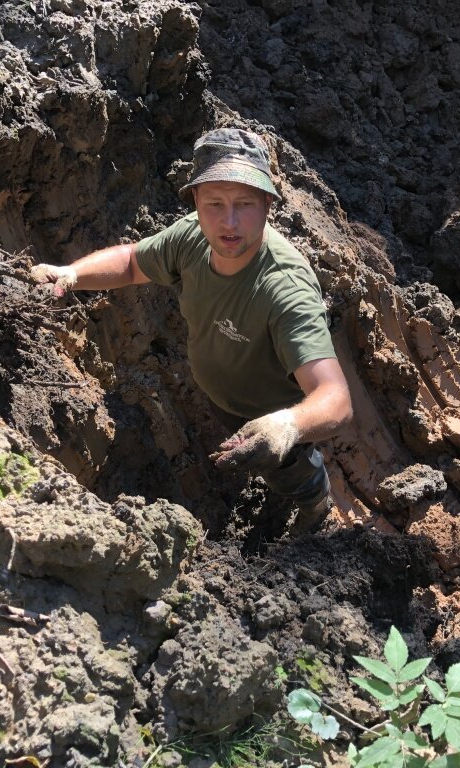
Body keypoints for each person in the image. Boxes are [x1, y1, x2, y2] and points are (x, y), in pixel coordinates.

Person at [30, 128, 353, 533]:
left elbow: (336, 399)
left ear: (268, 204)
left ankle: (315, 501)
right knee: (251, 450)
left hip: (274, 415)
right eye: (215, 203)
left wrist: (285, 427)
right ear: (196, 201)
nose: (229, 221)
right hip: (223, 398)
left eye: (245, 204)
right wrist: (71, 273)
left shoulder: (286, 289)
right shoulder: (191, 237)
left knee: (289, 470)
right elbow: (132, 262)